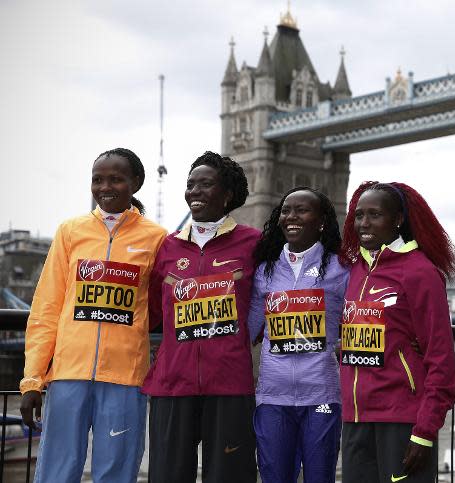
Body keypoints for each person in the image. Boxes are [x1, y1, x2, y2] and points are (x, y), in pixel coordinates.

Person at [19, 148, 167, 483]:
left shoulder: (157, 238)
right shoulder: (70, 231)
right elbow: (46, 308)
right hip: (68, 373)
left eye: (116, 179)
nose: (105, 187)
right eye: (97, 179)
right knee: (56, 471)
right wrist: (32, 380)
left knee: (116, 472)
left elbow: (158, 307)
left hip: (125, 378)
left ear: (136, 183)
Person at [141, 151, 260, 483]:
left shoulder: (253, 243)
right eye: (190, 184)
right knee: (166, 476)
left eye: (206, 184)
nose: (195, 191)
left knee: (229, 476)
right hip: (172, 383)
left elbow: (267, 301)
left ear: (227, 194)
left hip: (230, 383)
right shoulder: (166, 248)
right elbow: (152, 311)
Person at [339, 181, 455, 483]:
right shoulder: (354, 271)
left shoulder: (420, 272)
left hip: (402, 420)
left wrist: (425, 432)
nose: (363, 223)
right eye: (359, 215)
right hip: (355, 420)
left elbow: (440, 359)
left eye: (374, 215)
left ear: (398, 220)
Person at [247, 186, 349, 483]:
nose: (291, 216)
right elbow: (247, 331)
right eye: (286, 210)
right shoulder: (265, 270)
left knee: (320, 477)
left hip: (322, 396)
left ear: (321, 221)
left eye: (301, 210)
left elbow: (362, 317)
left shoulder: (341, 268)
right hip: (272, 397)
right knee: (274, 478)